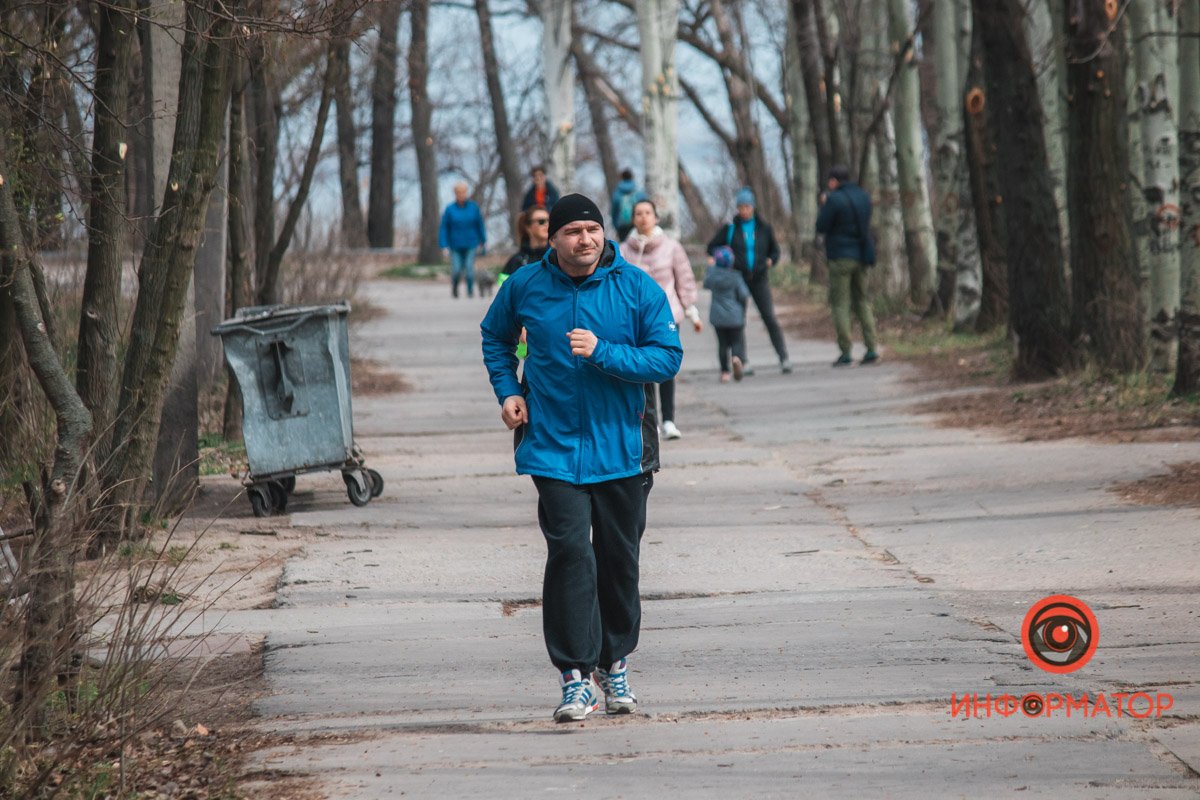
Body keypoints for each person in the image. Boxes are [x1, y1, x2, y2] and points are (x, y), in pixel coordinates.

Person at [481, 194, 682, 723]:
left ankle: (614, 664)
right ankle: (575, 676)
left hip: (624, 449)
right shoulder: (524, 285)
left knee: (619, 562)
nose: (585, 239)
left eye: (592, 229)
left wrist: (602, 352)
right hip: (553, 446)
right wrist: (508, 390)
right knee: (570, 555)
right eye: (572, 231)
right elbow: (494, 337)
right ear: (553, 239)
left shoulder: (635, 286)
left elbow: (667, 358)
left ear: (604, 234)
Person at [620, 199, 701, 440]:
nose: (643, 217)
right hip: (636, 319)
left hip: (668, 316)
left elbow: (684, 277)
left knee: (666, 368)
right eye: (638, 213)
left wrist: (690, 309)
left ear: (655, 217)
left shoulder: (671, 247)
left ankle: (669, 420)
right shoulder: (624, 250)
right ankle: (650, 421)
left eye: (647, 213)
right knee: (642, 369)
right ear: (633, 219)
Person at [706, 188, 791, 374]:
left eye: (747, 206)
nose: (744, 210)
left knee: (769, 317)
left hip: (760, 278)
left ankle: (783, 357)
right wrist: (720, 258)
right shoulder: (730, 229)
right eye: (741, 207)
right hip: (738, 279)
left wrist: (771, 260)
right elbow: (711, 247)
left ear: (753, 207)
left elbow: (775, 251)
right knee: (738, 321)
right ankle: (742, 361)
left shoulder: (764, 228)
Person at [815, 164, 879, 366]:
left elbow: (821, 226)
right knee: (862, 301)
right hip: (862, 255)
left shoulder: (834, 199)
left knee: (840, 304)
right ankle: (871, 348)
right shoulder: (863, 197)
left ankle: (846, 352)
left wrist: (824, 205)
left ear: (834, 181)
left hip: (840, 257)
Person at [704, 245, 750, 383]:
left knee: (722, 345)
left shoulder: (713, 276)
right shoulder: (735, 276)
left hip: (718, 317)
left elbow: (706, 283)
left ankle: (725, 372)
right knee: (737, 342)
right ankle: (736, 359)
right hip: (735, 316)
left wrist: (710, 268)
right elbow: (744, 295)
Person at [438, 182, 487, 298]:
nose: (461, 195)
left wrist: (483, 241)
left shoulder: (473, 208)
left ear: (466, 193)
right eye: (459, 193)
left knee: (469, 269)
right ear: (455, 194)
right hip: (455, 244)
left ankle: (470, 292)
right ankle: (455, 288)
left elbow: (479, 225)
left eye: (463, 192)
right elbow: (444, 228)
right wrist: (444, 245)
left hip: (471, 243)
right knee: (456, 269)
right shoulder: (450, 209)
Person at [499, 207, 551, 287]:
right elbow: (502, 288)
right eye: (541, 221)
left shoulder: (558, 257)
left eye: (549, 221)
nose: (547, 224)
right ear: (528, 227)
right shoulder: (515, 261)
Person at [610, 168, 646, 242]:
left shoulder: (617, 194)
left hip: (622, 227)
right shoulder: (639, 192)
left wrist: (616, 227)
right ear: (632, 177)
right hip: (637, 224)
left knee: (625, 247)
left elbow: (614, 212)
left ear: (621, 178)